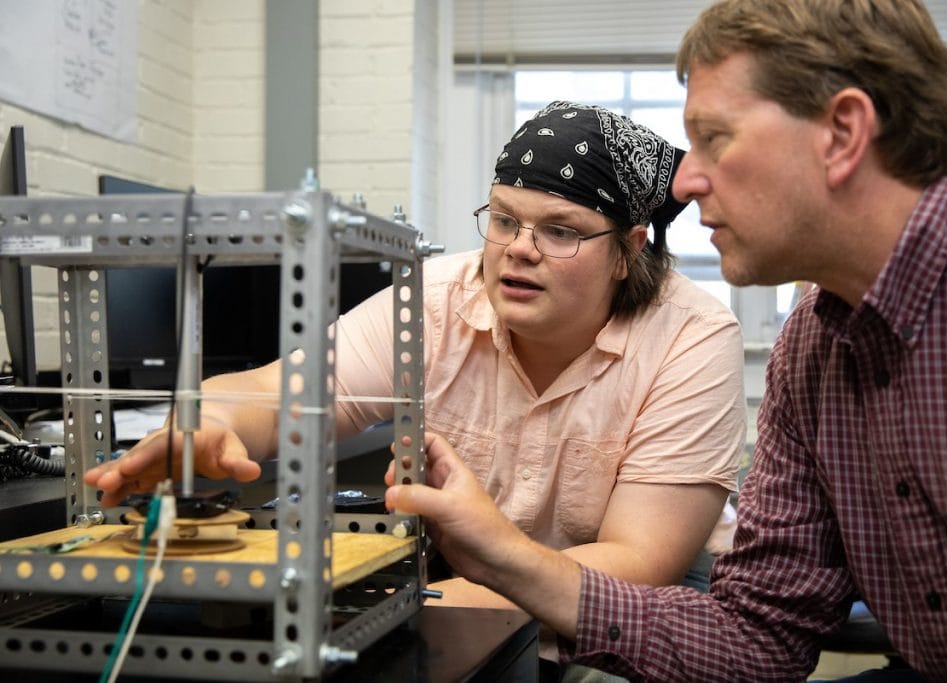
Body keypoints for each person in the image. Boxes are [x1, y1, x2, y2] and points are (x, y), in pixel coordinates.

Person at [382, 0, 947, 680]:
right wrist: (508, 560)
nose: (685, 181)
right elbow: (759, 636)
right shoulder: (813, 346)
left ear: (842, 134)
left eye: (714, 138)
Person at [85, 102, 747, 612]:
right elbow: (288, 390)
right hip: (477, 587)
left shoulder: (691, 338)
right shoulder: (435, 299)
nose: (518, 248)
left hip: (635, 614)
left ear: (629, 251)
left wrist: (403, 607)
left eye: (560, 231)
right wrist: (210, 420)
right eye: (506, 219)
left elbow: (638, 563)